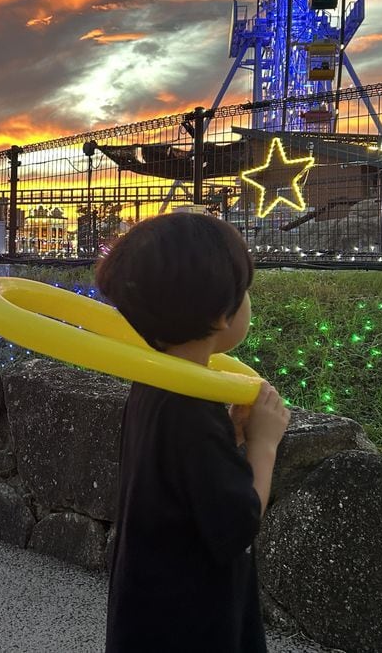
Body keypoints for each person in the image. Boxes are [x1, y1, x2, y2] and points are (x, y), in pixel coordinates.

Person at [96, 211, 290, 652]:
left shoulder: (156, 384)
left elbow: (184, 480)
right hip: (192, 622)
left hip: (149, 608)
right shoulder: (192, 408)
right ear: (223, 314)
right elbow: (238, 523)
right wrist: (264, 444)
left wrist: (232, 440)